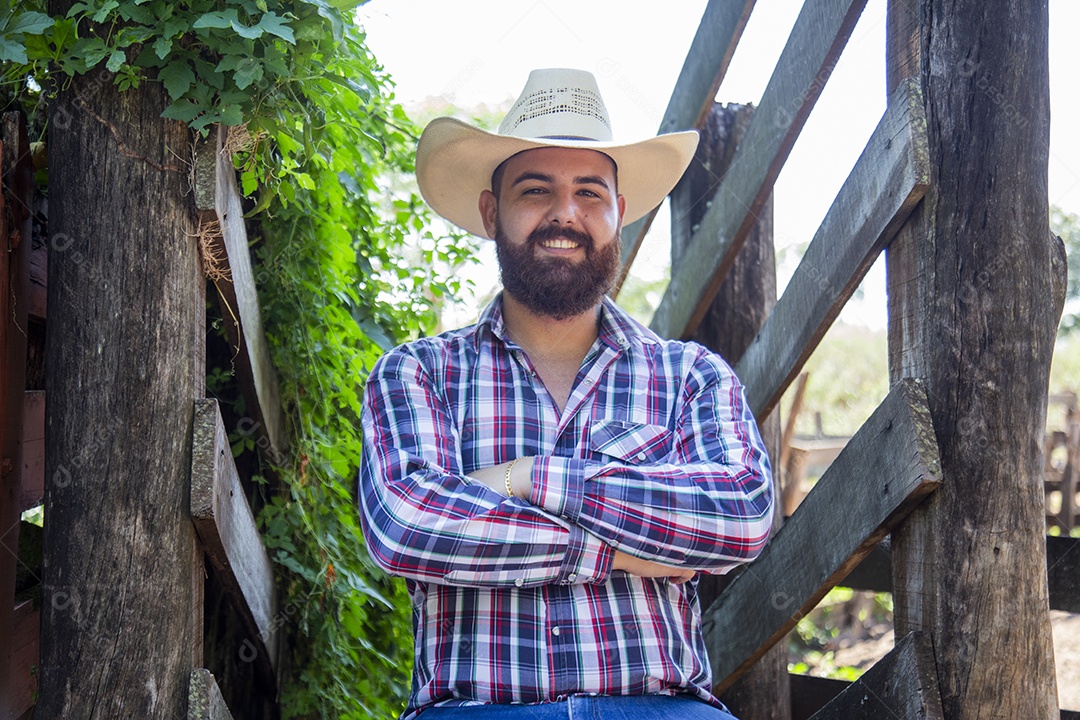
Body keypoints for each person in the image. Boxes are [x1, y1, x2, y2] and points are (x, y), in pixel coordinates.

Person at [359, 68, 774, 720]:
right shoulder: (417, 374)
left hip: (661, 712)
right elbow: (408, 526)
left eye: (589, 191)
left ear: (618, 213)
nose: (565, 214)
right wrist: (615, 552)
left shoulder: (690, 376)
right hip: (474, 712)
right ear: (492, 211)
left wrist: (528, 477)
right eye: (535, 190)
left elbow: (740, 515)